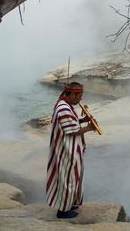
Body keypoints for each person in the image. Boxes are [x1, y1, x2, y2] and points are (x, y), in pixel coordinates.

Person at [46, 82, 95, 219]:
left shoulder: (65, 105)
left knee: (74, 177)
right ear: (72, 94)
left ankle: (71, 203)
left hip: (72, 148)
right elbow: (72, 131)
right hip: (67, 150)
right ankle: (63, 210)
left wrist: (83, 119)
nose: (80, 99)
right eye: (79, 96)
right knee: (68, 178)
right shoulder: (63, 109)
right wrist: (90, 127)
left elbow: (72, 123)